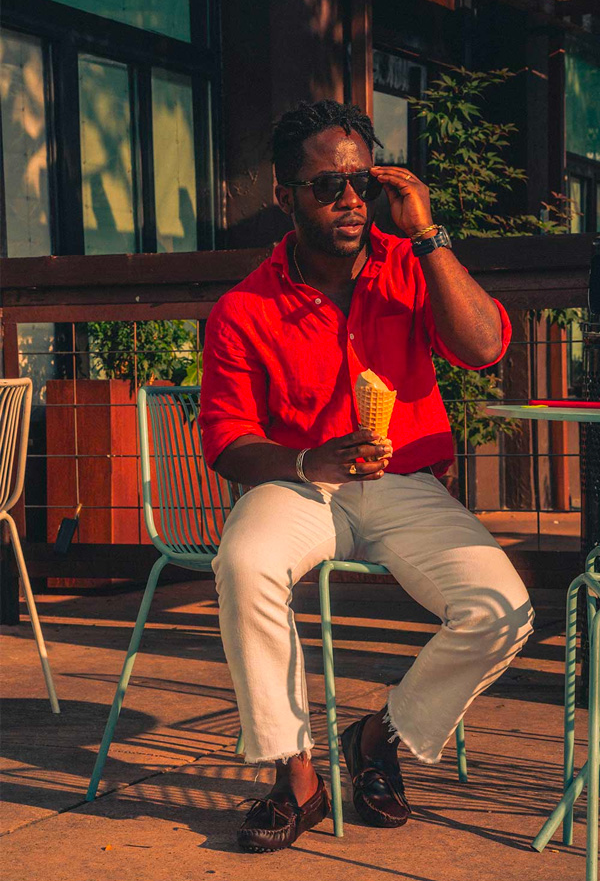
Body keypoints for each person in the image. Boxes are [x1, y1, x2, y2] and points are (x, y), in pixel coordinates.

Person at [199, 99, 534, 853]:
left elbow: (482, 348)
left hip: (404, 482)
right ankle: (296, 775)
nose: (350, 200)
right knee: (245, 561)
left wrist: (426, 234)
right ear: (285, 197)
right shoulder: (244, 307)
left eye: (362, 182)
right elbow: (225, 437)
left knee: (502, 608)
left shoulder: (411, 265)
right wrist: (300, 461)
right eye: (327, 186)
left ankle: (380, 738)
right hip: (297, 484)